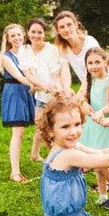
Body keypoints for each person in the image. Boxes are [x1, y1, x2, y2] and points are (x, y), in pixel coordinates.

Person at [79, 47, 109, 209]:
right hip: (93, 124)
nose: (93, 66)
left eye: (97, 62)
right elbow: (80, 98)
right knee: (96, 165)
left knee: (101, 164)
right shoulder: (89, 80)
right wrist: (84, 104)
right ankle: (102, 194)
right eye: (90, 63)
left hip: (104, 124)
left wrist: (99, 114)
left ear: (104, 63)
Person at [0, 24, 36, 183]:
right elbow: (20, 77)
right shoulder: (6, 57)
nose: (17, 38)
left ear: (23, 35)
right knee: (18, 133)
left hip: (29, 91)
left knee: (41, 124)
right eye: (13, 36)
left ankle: (36, 154)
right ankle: (15, 172)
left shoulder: (28, 52)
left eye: (19, 34)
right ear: (8, 39)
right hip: (15, 93)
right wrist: (37, 85)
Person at [19, 18, 63, 162]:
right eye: (33, 32)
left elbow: (56, 73)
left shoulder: (51, 50)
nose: (36, 35)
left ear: (44, 34)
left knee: (54, 128)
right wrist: (43, 86)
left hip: (54, 96)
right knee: (39, 126)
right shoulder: (24, 50)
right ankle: (35, 154)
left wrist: (59, 90)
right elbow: (28, 74)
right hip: (40, 95)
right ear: (28, 32)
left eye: (39, 32)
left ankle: (56, 156)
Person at [52, 10, 100, 96]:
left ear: (76, 25)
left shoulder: (89, 42)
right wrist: (67, 89)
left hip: (102, 83)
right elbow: (65, 71)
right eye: (62, 27)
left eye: (69, 24)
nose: (66, 29)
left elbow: (90, 72)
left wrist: (80, 95)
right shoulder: (63, 48)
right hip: (88, 88)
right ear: (58, 31)